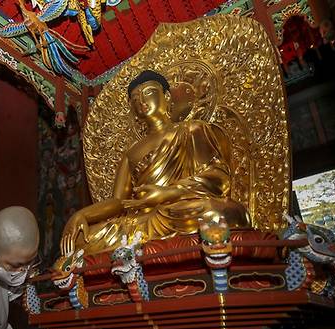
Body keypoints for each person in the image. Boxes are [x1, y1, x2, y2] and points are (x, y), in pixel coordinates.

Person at [60, 70, 250, 256]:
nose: (142, 101)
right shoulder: (131, 153)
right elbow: (118, 202)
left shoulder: (191, 130)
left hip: (183, 209)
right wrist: (82, 215)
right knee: (83, 240)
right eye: (135, 99)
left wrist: (167, 193)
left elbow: (218, 177)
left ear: (167, 97)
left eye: (149, 93)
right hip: (144, 219)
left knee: (216, 213)